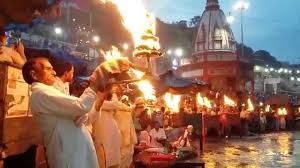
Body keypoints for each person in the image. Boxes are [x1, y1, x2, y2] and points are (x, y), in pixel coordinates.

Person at [22, 57, 108, 168]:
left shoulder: (46, 91)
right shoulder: (41, 93)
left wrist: (98, 98)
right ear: (34, 75)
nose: (54, 72)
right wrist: (95, 82)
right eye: (48, 69)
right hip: (68, 154)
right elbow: (81, 106)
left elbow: (80, 115)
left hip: (74, 151)